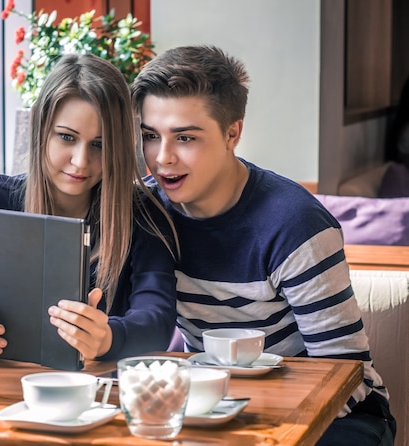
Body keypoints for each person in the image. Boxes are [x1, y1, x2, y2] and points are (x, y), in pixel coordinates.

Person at [131, 45, 395, 445]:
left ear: (232, 133)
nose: (162, 157)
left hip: (339, 414)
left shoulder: (294, 224)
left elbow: (344, 373)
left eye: (185, 137)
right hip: (214, 407)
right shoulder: (147, 212)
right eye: (151, 136)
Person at [0, 53, 178, 362]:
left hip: (100, 392)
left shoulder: (144, 214)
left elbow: (157, 322)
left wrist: (109, 337)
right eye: (67, 137)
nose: (81, 161)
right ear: (40, 126)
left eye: (99, 144)